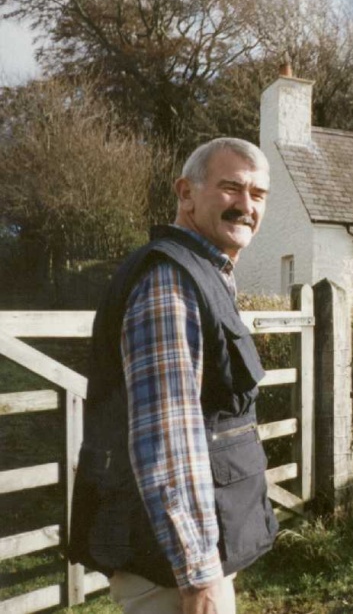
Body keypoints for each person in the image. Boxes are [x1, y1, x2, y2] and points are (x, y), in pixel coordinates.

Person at [69, 138, 279, 614]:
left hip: (190, 559)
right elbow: (167, 439)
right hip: (174, 573)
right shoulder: (170, 281)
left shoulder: (204, 271)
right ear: (186, 194)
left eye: (258, 195)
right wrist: (199, 575)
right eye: (231, 188)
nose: (246, 206)